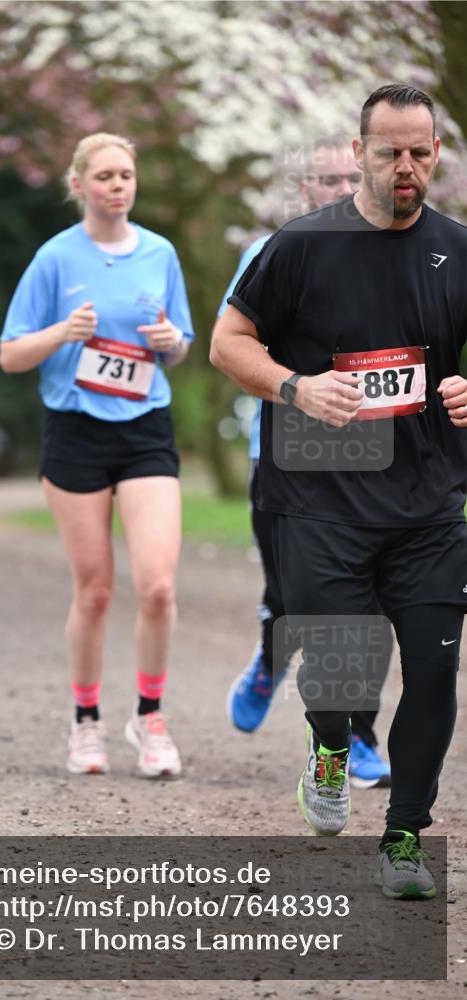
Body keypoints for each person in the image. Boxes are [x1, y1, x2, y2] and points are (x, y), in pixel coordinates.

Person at [210, 85, 466, 899]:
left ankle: (402, 836)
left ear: (436, 154)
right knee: (345, 679)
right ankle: (327, 747)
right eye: (389, 150)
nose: (405, 166)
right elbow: (227, 342)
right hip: (320, 502)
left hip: (427, 504)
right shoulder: (299, 246)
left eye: (419, 151)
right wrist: (295, 389)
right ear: (357, 153)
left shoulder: (457, 249)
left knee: (431, 673)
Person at [0, 132, 193, 778]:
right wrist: (63, 332)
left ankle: (150, 715)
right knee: (95, 590)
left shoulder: (160, 253)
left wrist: (171, 340)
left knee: (158, 586)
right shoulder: (54, 259)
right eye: (105, 175)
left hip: (145, 429)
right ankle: (85, 722)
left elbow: (182, 343)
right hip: (75, 431)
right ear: (78, 184)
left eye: (127, 175)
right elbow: (10, 354)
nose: (118, 185)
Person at [219, 138, 393, 789]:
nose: (341, 187)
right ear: (304, 189)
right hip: (286, 462)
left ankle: (360, 731)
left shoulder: (396, 255)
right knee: (295, 601)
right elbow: (233, 351)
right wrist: (299, 389)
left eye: (351, 175)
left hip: (373, 464)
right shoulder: (269, 255)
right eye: (326, 178)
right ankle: (270, 659)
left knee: (368, 601)